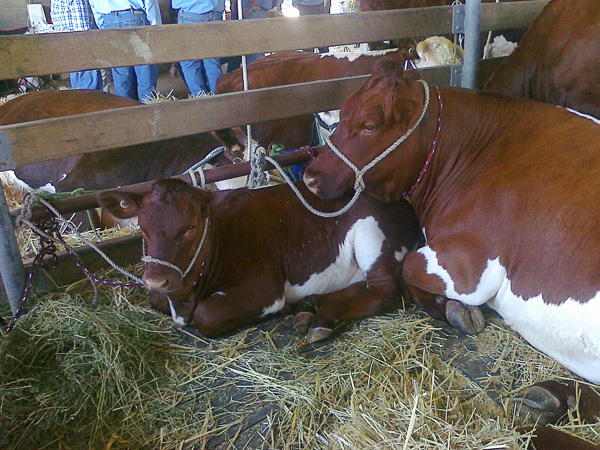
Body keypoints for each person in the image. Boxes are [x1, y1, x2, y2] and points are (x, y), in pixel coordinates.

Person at [88, 0, 162, 102]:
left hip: (108, 18)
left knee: (121, 71)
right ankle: (149, 108)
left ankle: (126, 111)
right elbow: (149, 2)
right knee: (145, 67)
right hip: (134, 16)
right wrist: (156, 25)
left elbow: (93, 4)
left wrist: (102, 25)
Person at [172, 0, 225, 96]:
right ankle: (217, 97)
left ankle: (200, 98)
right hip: (215, 13)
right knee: (212, 60)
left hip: (190, 13)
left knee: (189, 62)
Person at [50, 0, 103, 90]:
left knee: (78, 83)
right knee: (90, 88)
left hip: (68, 43)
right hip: (82, 45)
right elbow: (82, 29)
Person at [226, 0, 275, 73]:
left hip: (253, 11)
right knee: (246, 51)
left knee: (253, 52)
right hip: (247, 10)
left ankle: (256, 79)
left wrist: (250, 7)